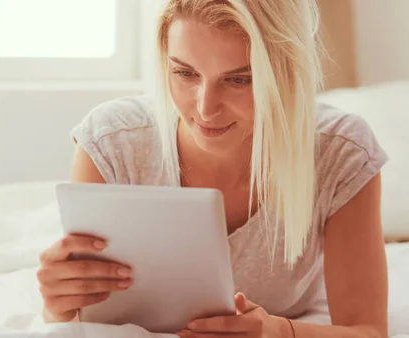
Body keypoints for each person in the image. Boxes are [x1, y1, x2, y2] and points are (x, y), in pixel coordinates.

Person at [36, 0, 389, 337]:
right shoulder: (114, 141)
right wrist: (59, 309)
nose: (205, 108)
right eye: (185, 73)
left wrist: (281, 331)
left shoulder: (340, 152)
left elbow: (367, 332)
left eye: (239, 80)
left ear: (285, 74)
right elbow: (84, 313)